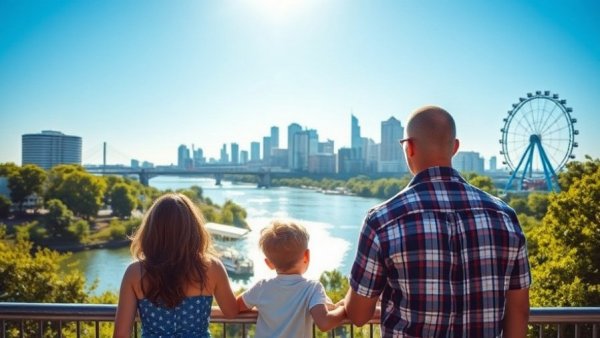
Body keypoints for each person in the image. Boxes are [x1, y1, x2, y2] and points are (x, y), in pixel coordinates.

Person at [344, 106, 531, 337]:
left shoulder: (383, 220)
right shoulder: (505, 217)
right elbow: (519, 310)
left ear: (408, 147)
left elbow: (359, 314)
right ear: (454, 148)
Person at [113, 193, 238, 337]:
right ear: (193, 229)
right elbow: (231, 311)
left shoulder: (135, 272)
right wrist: (255, 297)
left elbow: (120, 334)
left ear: (151, 230)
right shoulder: (211, 267)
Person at [237, 219, 346, 337]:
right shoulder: (312, 288)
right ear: (306, 256)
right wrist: (344, 310)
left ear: (269, 263)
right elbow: (324, 322)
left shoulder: (261, 287)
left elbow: (236, 307)